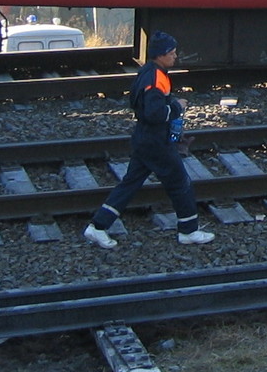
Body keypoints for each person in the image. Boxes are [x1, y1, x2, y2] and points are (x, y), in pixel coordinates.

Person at [83, 32, 216, 249]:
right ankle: (189, 231)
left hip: (144, 138)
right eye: (172, 53)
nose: (175, 57)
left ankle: (97, 227)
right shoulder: (156, 78)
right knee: (180, 183)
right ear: (160, 55)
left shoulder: (146, 72)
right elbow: (154, 113)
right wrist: (176, 107)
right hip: (156, 141)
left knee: (130, 184)